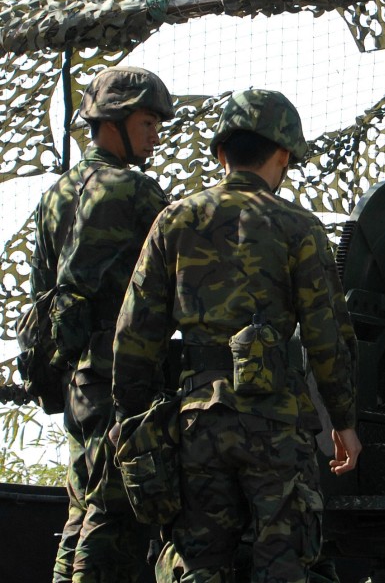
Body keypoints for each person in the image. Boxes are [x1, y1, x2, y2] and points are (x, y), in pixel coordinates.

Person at [110, 88, 362, 582]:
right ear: (285, 155)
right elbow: (328, 335)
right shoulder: (299, 227)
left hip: (196, 424)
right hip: (276, 424)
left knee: (199, 567)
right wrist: (344, 420)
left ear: (222, 152)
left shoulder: (174, 221)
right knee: (284, 565)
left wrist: (130, 421)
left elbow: (133, 337)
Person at [31, 66, 174, 582]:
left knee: (82, 509)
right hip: (121, 380)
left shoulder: (53, 196)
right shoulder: (136, 193)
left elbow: (40, 293)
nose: (156, 134)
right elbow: (170, 284)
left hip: (73, 380)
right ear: (112, 120)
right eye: (147, 121)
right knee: (114, 515)